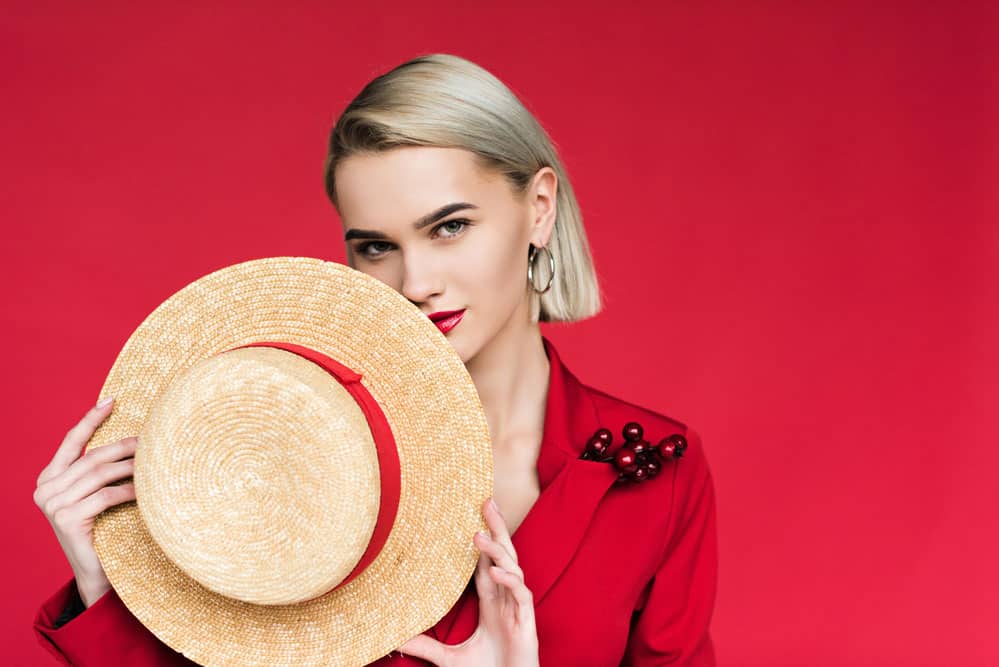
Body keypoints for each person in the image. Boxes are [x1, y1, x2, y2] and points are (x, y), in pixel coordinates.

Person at [32, 53, 718, 666]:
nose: (415, 281)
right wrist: (111, 585)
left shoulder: (656, 466)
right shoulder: (279, 449)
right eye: (374, 246)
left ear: (537, 208)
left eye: (449, 227)